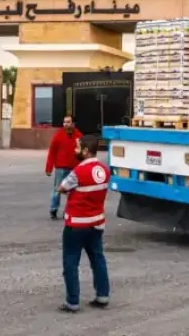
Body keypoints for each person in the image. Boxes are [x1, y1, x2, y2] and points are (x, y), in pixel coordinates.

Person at [57, 134, 111, 313]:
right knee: (98, 259)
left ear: (86, 151)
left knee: (71, 262)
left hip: (76, 225)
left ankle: (72, 302)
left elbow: (62, 187)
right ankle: (102, 296)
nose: (75, 150)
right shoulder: (104, 170)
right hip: (96, 223)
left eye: (78, 147)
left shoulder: (78, 171)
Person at [45, 115, 83, 219]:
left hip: (74, 168)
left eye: (68, 122)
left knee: (72, 191)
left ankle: (68, 211)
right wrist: (49, 168)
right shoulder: (58, 135)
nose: (65, 124)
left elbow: (82, 153)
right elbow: (52, 152)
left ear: (73, 124)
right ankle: (53, 209)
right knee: (57, 189)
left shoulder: (79, 136)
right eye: (64, 122)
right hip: (60, 168)